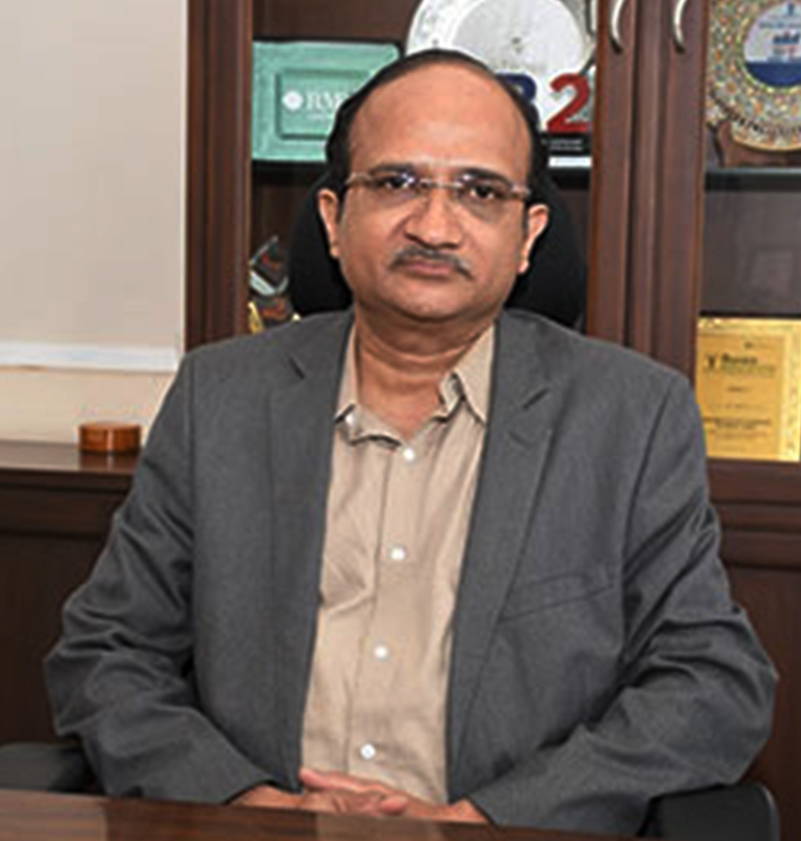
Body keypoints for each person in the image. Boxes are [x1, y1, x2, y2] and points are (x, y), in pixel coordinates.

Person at [45, 50, 775, 836]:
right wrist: (254, 807)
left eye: (479, 191)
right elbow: (106, 652)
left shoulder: (629, 417)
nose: (433, 225)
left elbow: (712, 683)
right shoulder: (219, 398)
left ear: (527, 235)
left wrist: (485, 817)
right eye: (396, 182)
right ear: (333, 219)